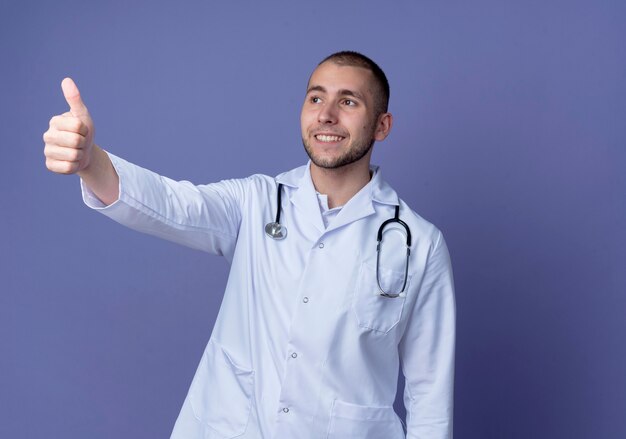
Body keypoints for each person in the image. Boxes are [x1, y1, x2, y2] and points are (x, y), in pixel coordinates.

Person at [43, 51, 456, 439]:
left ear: (382, 125)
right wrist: (90, 162)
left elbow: (430, 392)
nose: (326, 115)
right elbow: (171, 204)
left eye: (348, 102)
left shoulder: (418, 243)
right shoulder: (257, 201)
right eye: (316, 98)